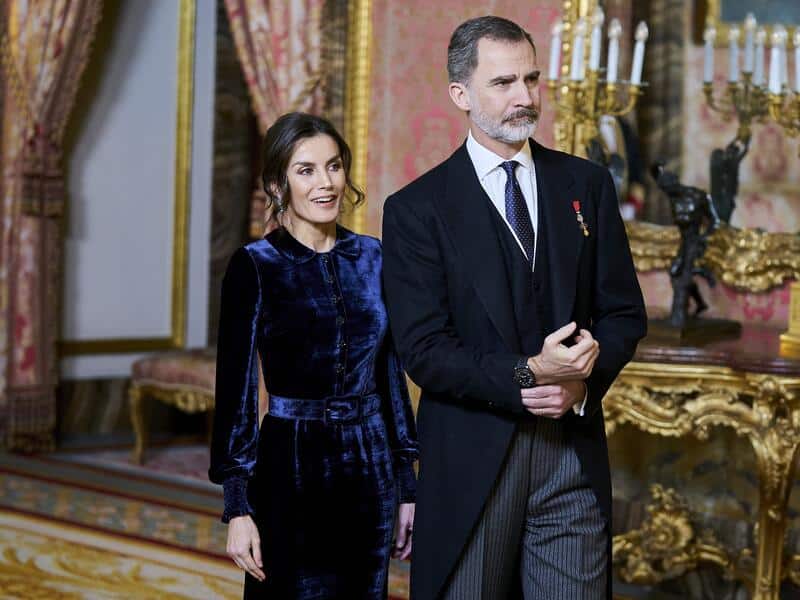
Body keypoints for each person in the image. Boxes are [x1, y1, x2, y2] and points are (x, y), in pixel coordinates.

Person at [381, 16, 647, 600]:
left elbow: (624, 313)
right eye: (503, 83)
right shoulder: (416, 209)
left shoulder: (587, 184)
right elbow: (423, 352)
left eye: (531, 78)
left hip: (570, 459)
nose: (525, 97)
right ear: (460, 94)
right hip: (474, 459)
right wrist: (530, 374)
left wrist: (580, 384)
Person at [209, 112, 418, 599]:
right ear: (279, 183)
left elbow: (391, 374)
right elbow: (235, 394)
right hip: (291, 465)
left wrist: (406, 485)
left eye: (334, 166)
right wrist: (237, 507)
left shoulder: (374, 257)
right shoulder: (255, 266)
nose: (325, 183)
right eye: (306, 170)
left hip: (370, 466)